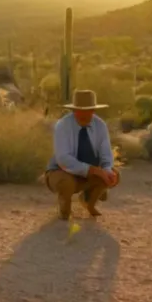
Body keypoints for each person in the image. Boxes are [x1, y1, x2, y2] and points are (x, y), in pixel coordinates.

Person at [45, 89, 120, 220]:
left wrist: (107, 171)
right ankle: (64, 206)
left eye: (88, 110)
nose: (84, 114)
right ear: (74, 111)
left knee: (113, 174)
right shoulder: (63, 126)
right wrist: (95, 170)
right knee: (66, 182)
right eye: (80, 110)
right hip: (62, 170)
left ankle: (89, 202)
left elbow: (106, 155)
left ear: (94, 111)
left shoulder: (100, 125)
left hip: (89, 172)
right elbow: (63, 159)